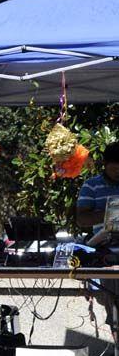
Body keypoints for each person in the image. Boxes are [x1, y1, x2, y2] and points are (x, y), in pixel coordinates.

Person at [76, 141, 119, 340]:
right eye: (114, 169)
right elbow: (81, 218)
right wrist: (109, 215)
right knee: (114, 305)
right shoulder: (91, 185)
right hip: (106, 252)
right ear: (105, 165)